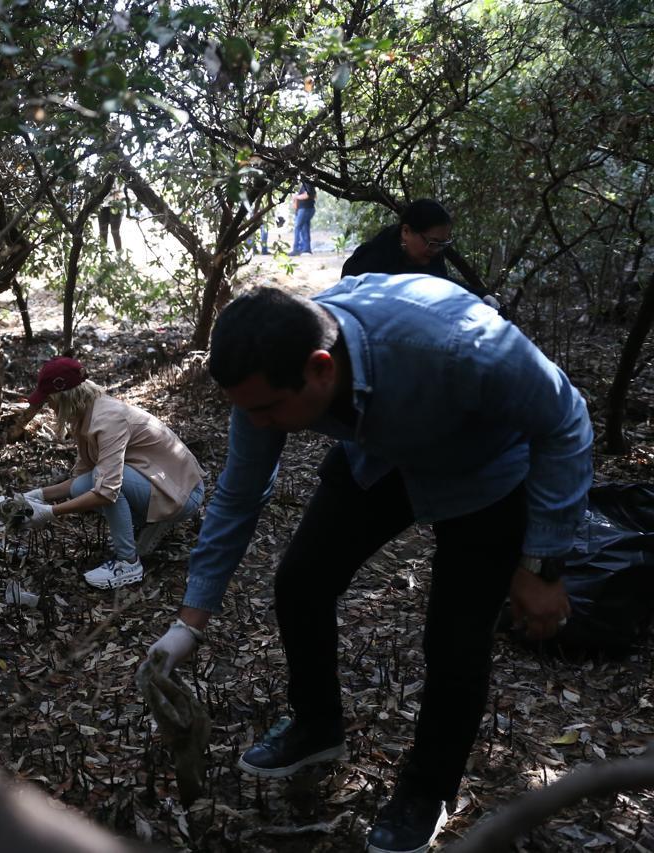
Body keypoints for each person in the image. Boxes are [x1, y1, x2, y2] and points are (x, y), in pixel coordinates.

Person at [146, 279, 592, 853]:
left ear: (321, 368)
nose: (257, 424)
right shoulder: (268, 379)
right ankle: (316, 727)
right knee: (301, 582)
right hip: (380, 459)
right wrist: (189, 623)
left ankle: (427, 790)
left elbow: (566, 421)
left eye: (267, 409)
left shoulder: (456, 346)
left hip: (484, 473)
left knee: (454, 641)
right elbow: (238, 494)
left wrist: (541, 564)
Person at [15, 357, 205, 589]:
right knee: (82, 486)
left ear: (62, 398)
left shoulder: (108, 419)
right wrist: (35, 496)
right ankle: (149, 522)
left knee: (105, 482)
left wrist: (50, 513)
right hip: (164, 485)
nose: (50, 408)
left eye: (48, 401)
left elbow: (106, 491)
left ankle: (128, 564)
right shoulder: (86, 415)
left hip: (185, 493)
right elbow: (80, 479)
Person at [342, 199, 495, 303]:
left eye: (442, 244)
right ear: (406, 232)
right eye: (432, 242)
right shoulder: (370, 262)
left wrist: (480, 296)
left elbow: (440, 283)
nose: (435, 250)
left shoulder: (432, 253)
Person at [292, 180, 316, 254]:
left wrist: (296, 197)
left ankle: (296, 249)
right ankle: (306, 248)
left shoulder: (308, 183)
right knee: (304, 228)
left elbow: (307, 195)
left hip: (306, 209)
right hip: (303, 209)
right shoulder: (303, 184)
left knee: (298, 227)